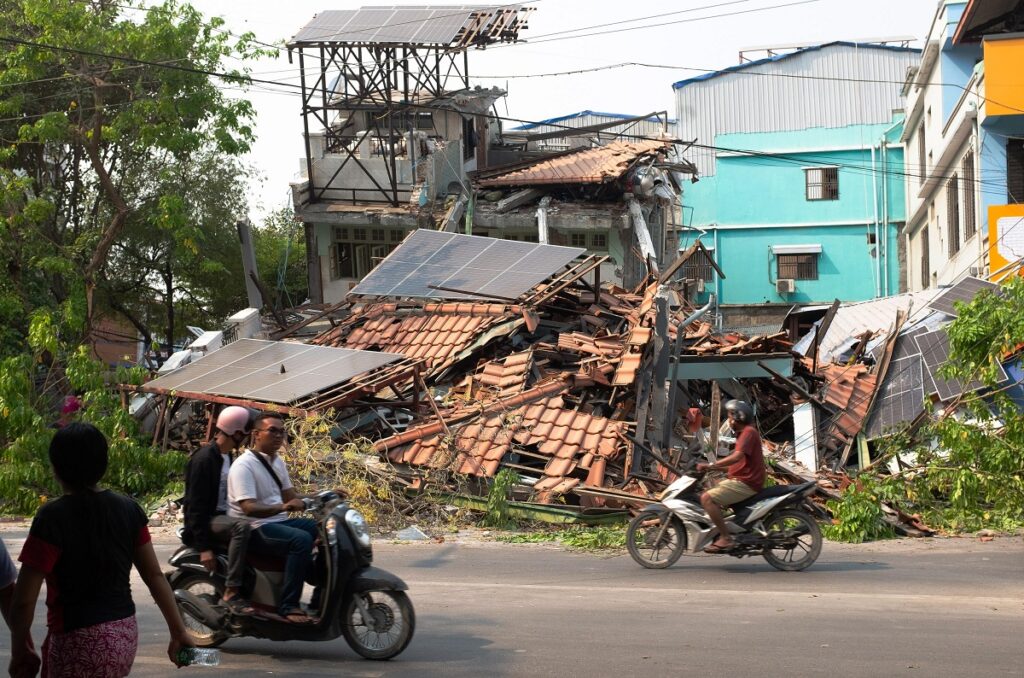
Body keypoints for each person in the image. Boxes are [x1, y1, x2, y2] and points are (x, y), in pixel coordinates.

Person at [8, 423, 193, 677]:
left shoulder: (52, 518)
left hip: (76, 641)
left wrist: (20, 649)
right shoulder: (129, 509)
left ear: (56, 468)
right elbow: (154, 576)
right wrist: (179, 631)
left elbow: (24, 600)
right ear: (103, 464)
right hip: (123, 636)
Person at [228, 412, 318, 624]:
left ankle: (319, 595)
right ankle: (288, 605)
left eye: (281, 431)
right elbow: (249, 508)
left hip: (277, 521)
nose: (279, 436)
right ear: (256, 434)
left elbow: (290, 497)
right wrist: (284, 506)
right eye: (273, 431)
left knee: (321, 529)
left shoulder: (277, 462)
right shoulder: (244, 466)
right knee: (301, 540)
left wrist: (324, 495)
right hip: (254, 527)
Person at [183, 405, 254, 614]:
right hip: (208, 520)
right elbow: (194, 506)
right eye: (246, 432)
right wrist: (204, 547)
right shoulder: (204, 459)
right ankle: (232, 591)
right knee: (242, 527)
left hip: (224, 517)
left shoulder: (228, 457)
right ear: (237, 432)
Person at [696, 399, 766, 553]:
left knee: (706, 498)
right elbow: (737, 465)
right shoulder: (744, 434)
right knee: (712, 489)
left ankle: (726, 537)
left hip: (746, 483)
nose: (728, 421)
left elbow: (736, 458)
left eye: (729, 417)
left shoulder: (748, 433)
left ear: (737, 418)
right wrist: (714, 470)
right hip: (743, 480)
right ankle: (727, 529)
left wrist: (711, 465)